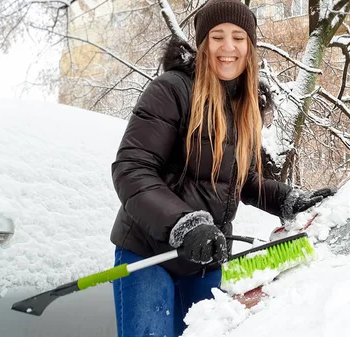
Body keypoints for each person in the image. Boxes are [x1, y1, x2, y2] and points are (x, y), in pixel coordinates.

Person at [109, 0, 335, 336]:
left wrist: (290, 200)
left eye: (238, 38)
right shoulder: (171, 90)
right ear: (203, 45)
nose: (228, 47)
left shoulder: (245, 105)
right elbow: (132, 168)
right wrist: (183, 223)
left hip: (204, 259)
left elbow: (244, 179)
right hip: (149, 252)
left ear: (250, 48)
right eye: (217, 37)